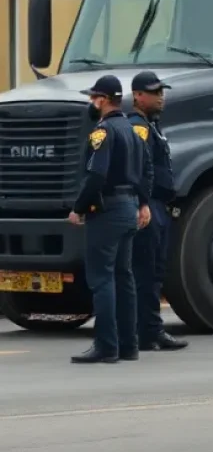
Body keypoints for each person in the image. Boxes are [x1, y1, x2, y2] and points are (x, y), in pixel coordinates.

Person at [69, 74, 153, 365]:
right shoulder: (133, 130)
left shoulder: (102, 132)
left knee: (102, 278)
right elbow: (144, 173)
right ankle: (129, 346)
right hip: (129, 208)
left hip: (106, 212)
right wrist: (142, 204)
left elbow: (96, 175)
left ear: (103, 100)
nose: (92, 103)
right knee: (123, 276)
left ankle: (106, 345)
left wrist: (79, 207)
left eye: (94, 98)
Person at [128, 71, 188, 352]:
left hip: (158, 205)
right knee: (147, 273)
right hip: (148, 206)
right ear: (138, 96)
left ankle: (149, 331)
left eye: (162, 91)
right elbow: (139, 170)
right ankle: (147, 332)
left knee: (154, 273)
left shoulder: (152, 126)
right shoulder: (138, 127)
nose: (161, 96)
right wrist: (142, 204)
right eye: (154, 92)